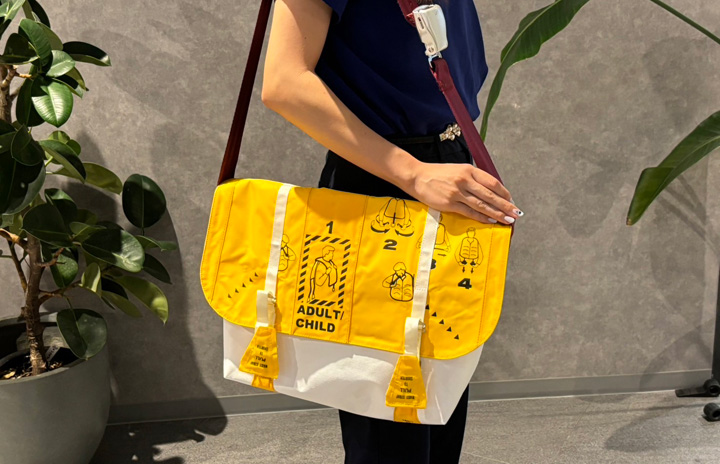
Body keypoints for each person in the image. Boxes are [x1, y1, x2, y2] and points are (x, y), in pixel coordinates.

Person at [260, 0, 523, 462]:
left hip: (445, 165)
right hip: (383, 180)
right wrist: (413, 173)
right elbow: (284, 83)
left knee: (439, 401)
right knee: (388, 426)